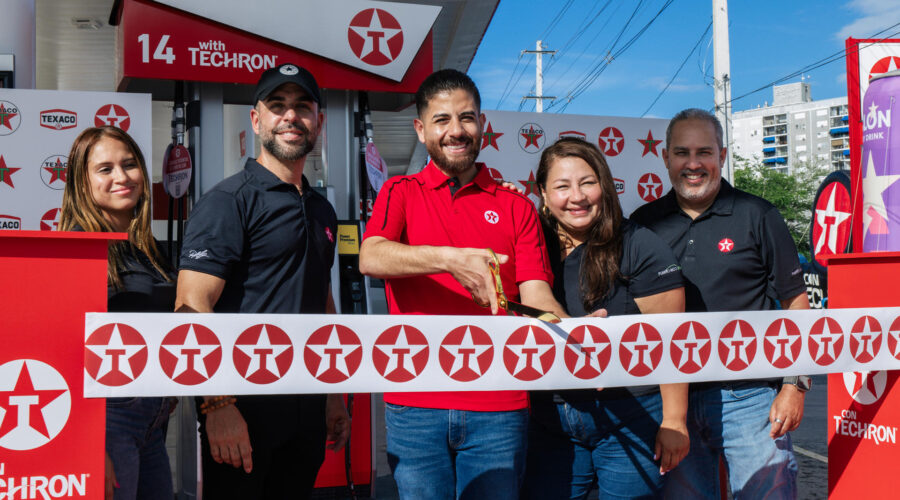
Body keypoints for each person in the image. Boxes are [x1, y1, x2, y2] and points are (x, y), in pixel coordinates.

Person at [358, 69, 566, 500]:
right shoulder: (400, 190)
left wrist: (576, 329)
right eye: (442, 120)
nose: (456, 130)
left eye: (467, 118)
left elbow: (535, 294)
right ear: (421, 129)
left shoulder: (515, 206)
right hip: (415, 400)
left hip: (500, 402)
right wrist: (448, 259)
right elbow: (371, 256)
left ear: (482, 124)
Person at [175, 63, 350, 499]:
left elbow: (321, 300)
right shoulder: (227, 203)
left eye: (302, 107)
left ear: (319, 122)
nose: (290, 116)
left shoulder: (321, 209)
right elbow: (191, 307)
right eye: (277, 106)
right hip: (243, 411)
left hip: (307, 407)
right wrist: (217, 407)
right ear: (256, 120)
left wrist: (332, 394)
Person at [630, 108, 811, 499]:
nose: (693, 164)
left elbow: (796, 301)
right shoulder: (643, 223)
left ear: (722, 156)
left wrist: (795, 385)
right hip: (671, 399)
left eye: (704, 152)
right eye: (682, 153)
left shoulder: (758, 215)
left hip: (751, 398)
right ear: (665, 158)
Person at [521, 137, 689, 500]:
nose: (577, 197)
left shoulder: (639, 243)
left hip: (630, 413)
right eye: (562, 186)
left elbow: (672, 338)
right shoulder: (530, 241)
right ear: (544, 194)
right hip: (548, 420)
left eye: (587, 182)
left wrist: (674, 420)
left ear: (605, 186)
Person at [59, 126, 176, 500]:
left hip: (154, 419)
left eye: (129, 165)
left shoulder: (148, 248)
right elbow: (61, 353)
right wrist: (91, 446)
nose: (122, 178)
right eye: (105, 169)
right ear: (82, 182)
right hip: (108, 422)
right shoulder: (76, 248)